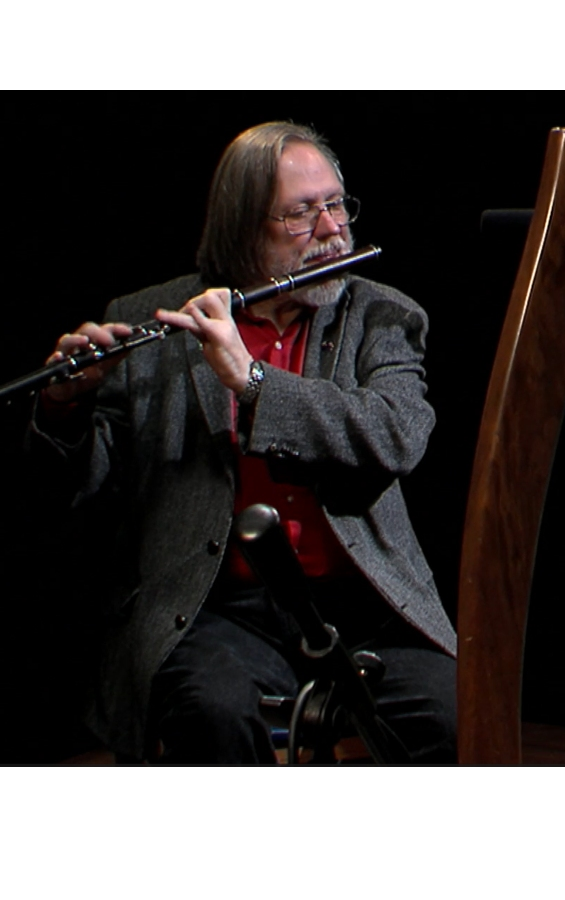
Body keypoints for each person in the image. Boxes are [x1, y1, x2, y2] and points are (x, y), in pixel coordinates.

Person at [28, 122, 456, 763]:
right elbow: (81, 494)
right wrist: (66, 406)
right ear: (242, 225)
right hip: (214, 606)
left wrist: (253, 382)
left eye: (337, 204)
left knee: (450, 715)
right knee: (211, 711)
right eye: (301, 214)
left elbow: (396, 434)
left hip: (362, 600)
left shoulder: (382, 315)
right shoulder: (157, 315)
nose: (333, 230)